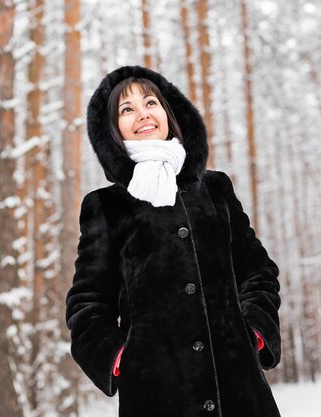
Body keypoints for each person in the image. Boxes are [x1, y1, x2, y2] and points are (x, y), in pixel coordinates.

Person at [65, 66, 282, 417]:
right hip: (155, 398)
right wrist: (122, 358)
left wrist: (253, 331)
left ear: (169, 112)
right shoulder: (105, 206)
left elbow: (258, 271)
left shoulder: (215, 189)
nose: (142, 114)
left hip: (239, 393)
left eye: (150, 102)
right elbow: (87, 304)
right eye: (127, 109)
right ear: (112, 130)